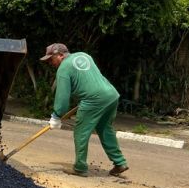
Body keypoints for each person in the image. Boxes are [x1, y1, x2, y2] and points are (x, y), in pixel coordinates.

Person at [41, 43, 129, 177]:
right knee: (105, 128)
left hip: (93, 100)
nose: (50, 63)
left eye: (51, 59)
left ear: (60, 55)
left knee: (81, 132)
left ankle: (80, 167)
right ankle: (120, 162)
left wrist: (57, 115)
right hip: (111, 95)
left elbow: (63, 98)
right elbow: (91, 79)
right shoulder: (84, 55)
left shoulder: (63, 68)